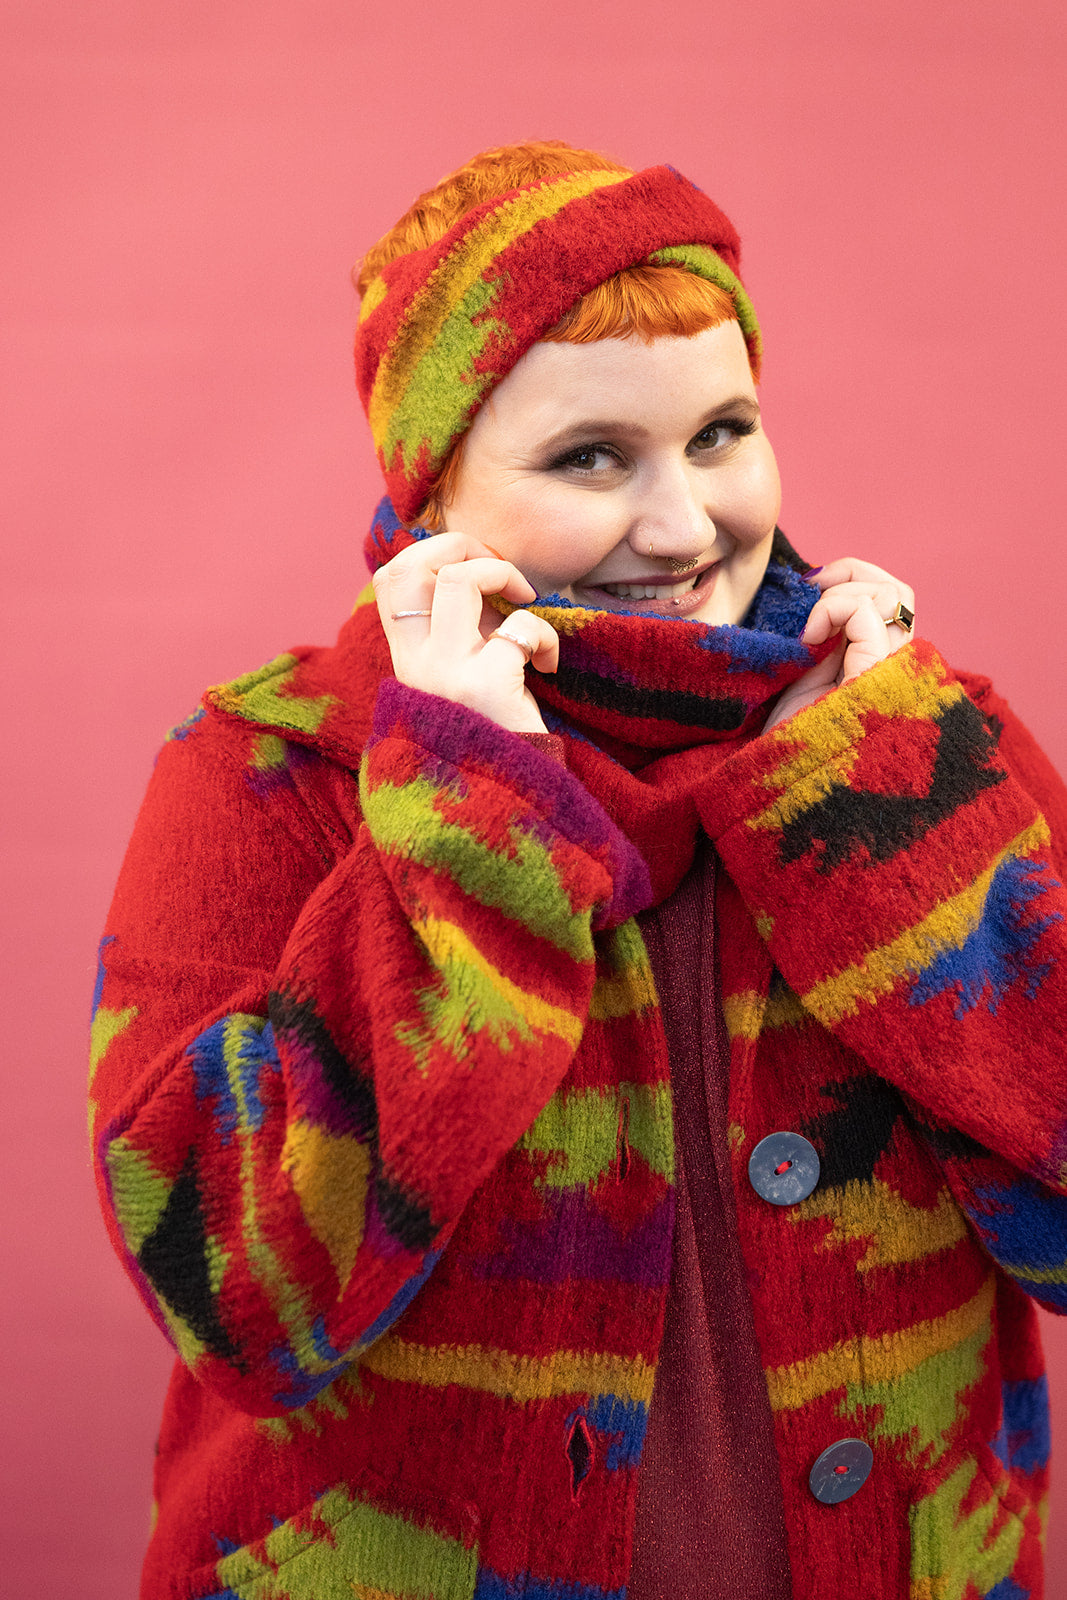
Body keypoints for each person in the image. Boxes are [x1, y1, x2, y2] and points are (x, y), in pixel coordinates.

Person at [90, 141, 1067, 1600]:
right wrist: (471, 813)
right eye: (589, 457)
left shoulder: (919, 741)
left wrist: (888, 822)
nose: (684, 527)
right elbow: (237, 1300)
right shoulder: (270, 769)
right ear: (436, 493)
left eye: (722, 433)